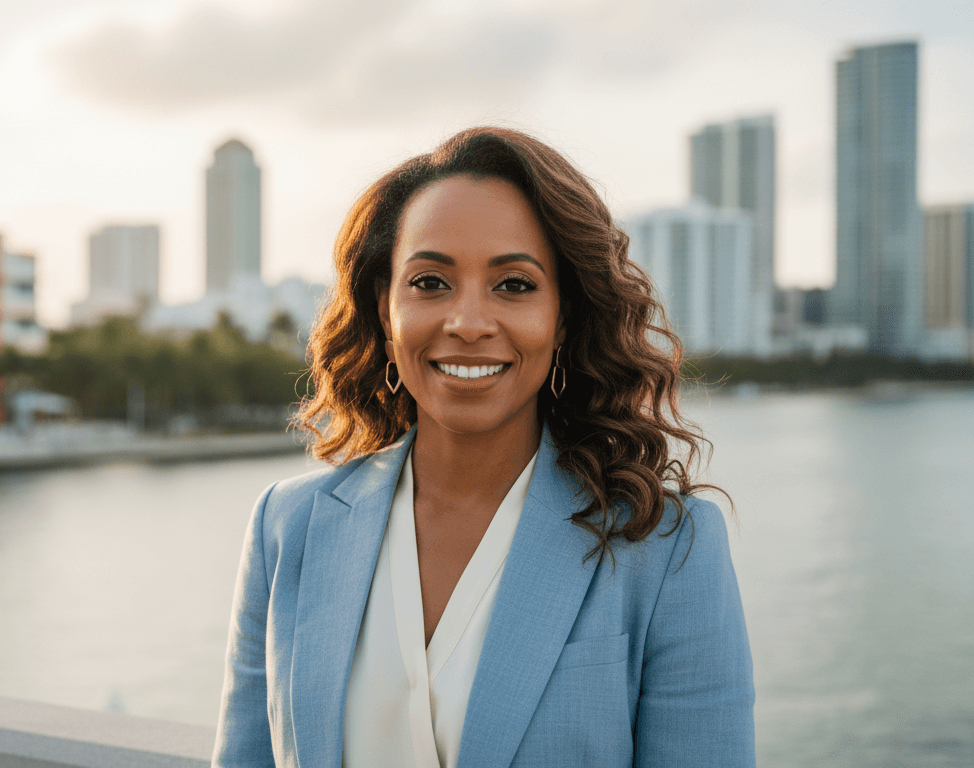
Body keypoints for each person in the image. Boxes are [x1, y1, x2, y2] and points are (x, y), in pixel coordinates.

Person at [212, 126, 754, 768]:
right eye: (430, 283)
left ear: (564, 318)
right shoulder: (288, 527)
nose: (467, 323)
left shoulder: (666, 549)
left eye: (515, 285)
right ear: (384, 311)